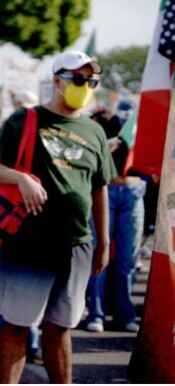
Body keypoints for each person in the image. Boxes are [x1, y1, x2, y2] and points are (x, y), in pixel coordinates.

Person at [0, 50, 115, 383]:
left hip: (76, 244)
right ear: (57, 80)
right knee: (18, 325)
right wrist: (21, 178)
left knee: (60, 327)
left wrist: (103, 242)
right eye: (78, 79)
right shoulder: (24, 119)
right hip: (29, 243)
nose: (85, 86)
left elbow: (99, 189)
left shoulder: (95, 131)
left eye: (91, 81)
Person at [0, 89, 42, 365]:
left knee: (21, 291)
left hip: (20, 231)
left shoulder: (32, 142)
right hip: (1, 232)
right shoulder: (4, 135)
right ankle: (2, 346)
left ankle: (27, 344)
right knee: (8, 291)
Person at [84, 98, 144, 333]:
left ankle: (124, 313)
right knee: (100, 255)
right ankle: (96, 313)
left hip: (134, 191)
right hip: (107, 190)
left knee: (127, 260)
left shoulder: (145, 127)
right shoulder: (103, 125)